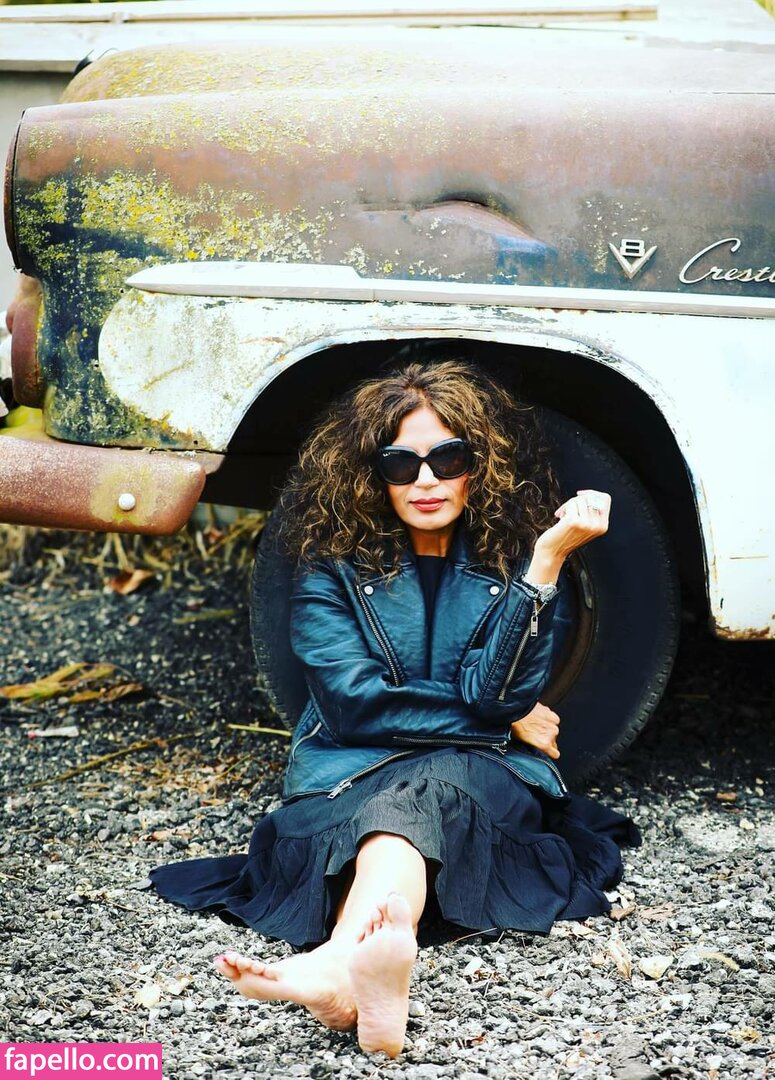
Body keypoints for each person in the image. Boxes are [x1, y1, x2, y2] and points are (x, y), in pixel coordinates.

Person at [149, 359, 639, 1058]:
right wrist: (502, 723)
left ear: (479, 465)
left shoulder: (519, 562)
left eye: (448, 458)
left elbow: (495, 692)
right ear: (372, 474)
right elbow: (355, 707)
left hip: (478, 780)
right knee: (394, 811)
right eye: (402, 464)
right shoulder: (329, 566)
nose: (426, 480)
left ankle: (338, 964)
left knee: (421, 796)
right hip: (351, 771)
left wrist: (545, 567)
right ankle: (364, 971)